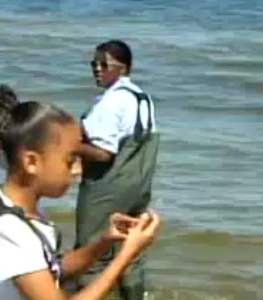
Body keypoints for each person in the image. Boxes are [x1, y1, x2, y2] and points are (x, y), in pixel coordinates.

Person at [0, 84, 161, 300]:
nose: (78, 169)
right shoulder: (10, 231)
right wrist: (126, 256)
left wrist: (105, 241)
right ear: (32, 162)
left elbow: (54, 269)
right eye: (69, 160)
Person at [75, 40, 159, 300]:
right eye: (94, 64)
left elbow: (103, 153)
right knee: (131, 253)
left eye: (104, 65)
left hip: (108, 187)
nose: (97, 70)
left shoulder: (111, 102)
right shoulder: (142, 98)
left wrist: (67, 146)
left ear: (122, 68)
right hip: (139, 186)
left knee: (94, 252)